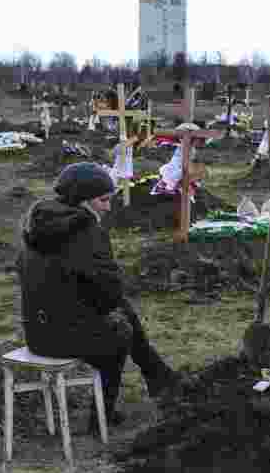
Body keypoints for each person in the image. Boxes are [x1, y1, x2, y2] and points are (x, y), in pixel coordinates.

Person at [17, 162, 176, 435]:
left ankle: (157, 373)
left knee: (119, 310)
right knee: (119, 331)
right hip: (67, 337)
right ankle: (103, 416)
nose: (108, 207)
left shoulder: (37, 225)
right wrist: (106, 305)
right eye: (103, 200)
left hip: (37, 333)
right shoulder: (85, 230)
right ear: (83, 201)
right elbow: (109, 290)